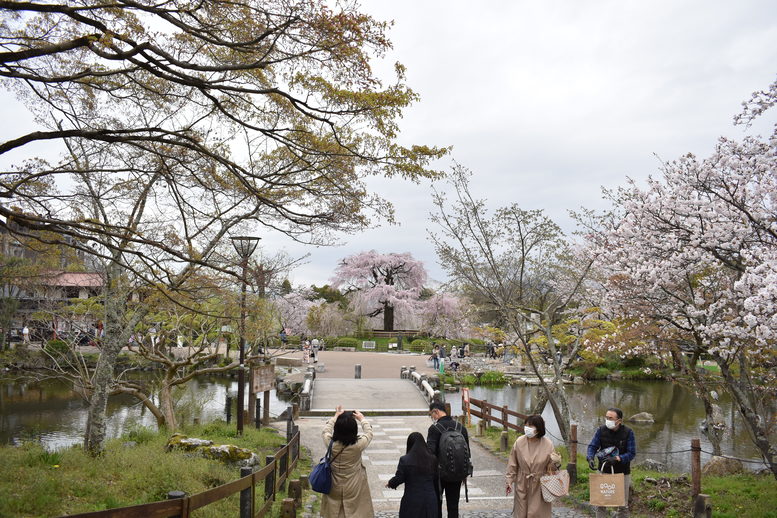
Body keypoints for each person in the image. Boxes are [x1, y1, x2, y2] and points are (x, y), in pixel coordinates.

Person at [321, 405, 374, 518]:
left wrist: (336, 416)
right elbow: (369, 433)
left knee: (335, 509)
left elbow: (326, 430)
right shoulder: (358, 445)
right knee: (354, 510)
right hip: (354, 482)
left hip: (333, 483)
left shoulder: (331, 444)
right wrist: (362, 418)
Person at [505, 415, 561, 518]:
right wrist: (509, 481)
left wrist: (555, 462)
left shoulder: (548, 444)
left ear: (538, 428)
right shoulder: (519, 442)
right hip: (522, 482)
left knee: (538, 513)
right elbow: (512, 463)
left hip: (540, 483)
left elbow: (551, 469)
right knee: (520, 513)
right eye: (526, 425)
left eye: (530, 426)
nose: (527, 428)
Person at [586, 408, 637, 518]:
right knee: (600, 503)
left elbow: (632, 453)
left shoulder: (628, 432)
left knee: (622, 505)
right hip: (604, 471)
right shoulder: (601, 430)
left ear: (619, 421)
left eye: (610, 418)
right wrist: (590, 458)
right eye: (606, 417)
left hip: (622, 473)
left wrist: (617, 458)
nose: (607, 420)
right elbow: (592, 446)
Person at [427, 401, 470, 518]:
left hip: (438, 475)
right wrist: (464, 474)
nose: (432, 418)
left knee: (437, 505)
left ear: (436, 411)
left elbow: (430, 454)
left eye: (431, 415)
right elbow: (467, 453)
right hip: (457, 473)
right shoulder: (461, 428)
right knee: (453, 506)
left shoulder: (434, 429)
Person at [386, 432, 439, 518]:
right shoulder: (432, 459)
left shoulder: (405, 460)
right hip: (429, 499)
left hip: (412, 499)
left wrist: (391, 483)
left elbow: (400, 478)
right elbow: (436, 477)